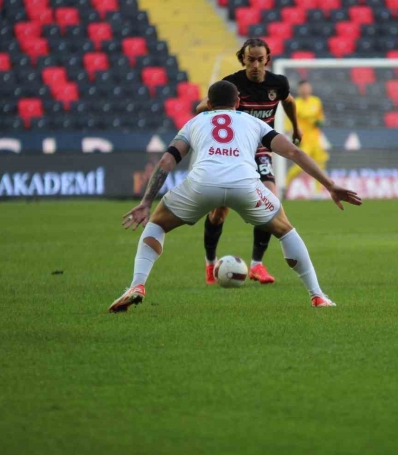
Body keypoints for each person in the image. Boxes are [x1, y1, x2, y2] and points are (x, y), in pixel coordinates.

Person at [108, 80, 361, 313]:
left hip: (202, 184)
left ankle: (137, 285)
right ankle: (317, 296)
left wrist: (145, 202)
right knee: (286, 231)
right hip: (246, 185)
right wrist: (330, 185)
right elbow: (294, 153)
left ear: (208, 104)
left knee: (157, 224)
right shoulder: (253, 122)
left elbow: (167, 160)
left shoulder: (195, 121)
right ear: (238, 102)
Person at [195, 38, 302, 286]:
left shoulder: (278, 83)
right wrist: (211, 109)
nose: (255, 64)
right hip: (234, 153)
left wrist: (296, 128)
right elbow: (203, 106)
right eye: (250, 59)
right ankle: (210, 264)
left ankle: (257, 265)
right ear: (242, 59)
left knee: (270, 201)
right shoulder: (231, 84)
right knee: (219, 212)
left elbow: (289, 101)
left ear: (267, 60)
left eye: (259, 59)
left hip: (262, 150)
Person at [285, 80, 329, 191]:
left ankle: (317, 192)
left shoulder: (316, 101)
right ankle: (284, 186)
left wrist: (320, 122)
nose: (305, 90)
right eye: (303, 88)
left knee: (320, 165)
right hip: (303, 140)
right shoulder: (295, 103)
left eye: (307, 88)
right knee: (300, 166)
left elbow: (320, 118)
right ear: (299, 90)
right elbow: (289, 123)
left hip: (316, 139)